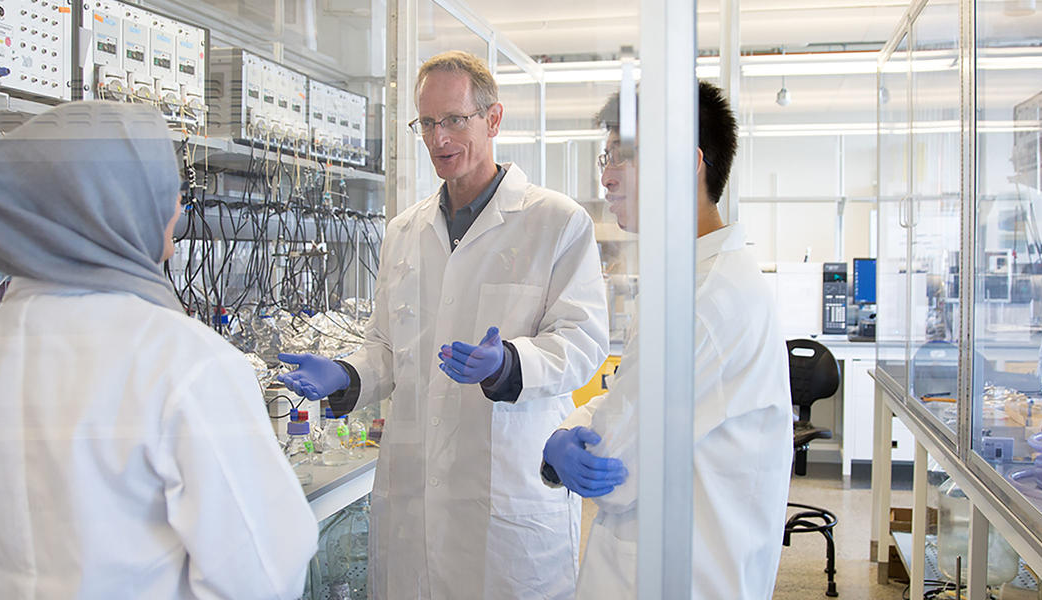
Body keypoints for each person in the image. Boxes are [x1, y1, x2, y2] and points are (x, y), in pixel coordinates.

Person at [0, 101, 317, 599]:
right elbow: (263, 575)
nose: (177, 208)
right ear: (116, 206)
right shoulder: (185, 361)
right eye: (167, 193)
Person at [275, 50, 609, 599]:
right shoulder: (406, 231)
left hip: (506, 491)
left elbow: (583, 338)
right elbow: (387, 346)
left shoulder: (556, 222)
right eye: (427, 123)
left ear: (493, 119)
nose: (438, 138)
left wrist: (511, 363)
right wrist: (347, 373)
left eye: (454, 119)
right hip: (415, 495)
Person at [540, 82, 795, 599]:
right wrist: (574, 427)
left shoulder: (705, 303)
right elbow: (626, 404)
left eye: (623, 157)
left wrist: (559, 440)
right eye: (605, 156)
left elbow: (615, 465)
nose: (607, 177)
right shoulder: (696, 281)